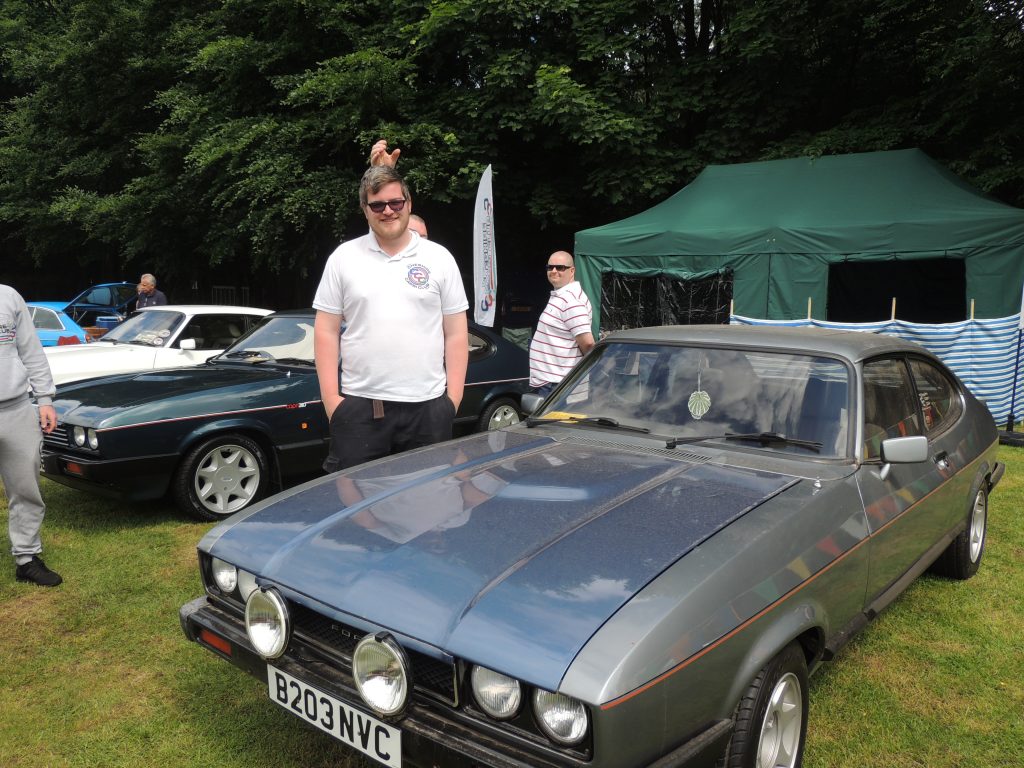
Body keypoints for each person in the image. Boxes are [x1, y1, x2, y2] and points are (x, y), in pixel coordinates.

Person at [313, 164, 469, 471]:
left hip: (428, 407)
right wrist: (332, 401)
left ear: (409, 204)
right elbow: (326, 330)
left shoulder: (439, 258)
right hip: (359, 407)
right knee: (353, 507)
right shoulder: (343, 258)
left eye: (396, 203)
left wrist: (453, 400)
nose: (388, 211)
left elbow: (457, 332)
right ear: (365, 210)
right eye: (378, 205)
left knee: (427, 507)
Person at [0, 284, 62, 586]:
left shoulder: (8, 296)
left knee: (26, 489)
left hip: (17, 409)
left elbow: (30, 349)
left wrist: (45, 400)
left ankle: (26, 559)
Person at [529, 251, 595, 396]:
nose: (554, 271)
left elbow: (588, 344)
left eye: (560, 267)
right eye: (550, 267)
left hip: (559, 386)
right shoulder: (561, 296)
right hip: (552, 382)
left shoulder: (571, 301)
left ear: (572, 271)